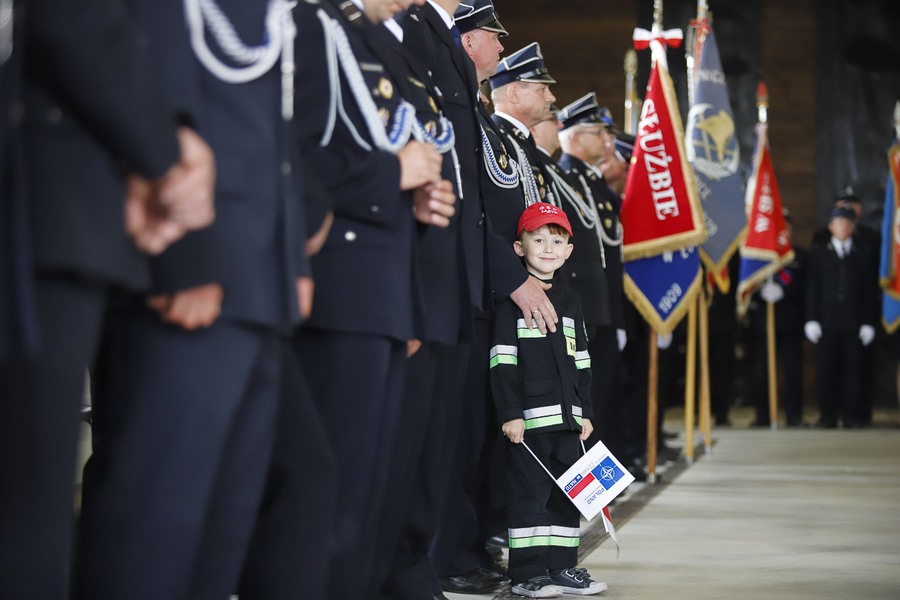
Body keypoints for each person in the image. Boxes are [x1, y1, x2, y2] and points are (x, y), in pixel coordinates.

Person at [1, 2, 214, 597]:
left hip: (85, 205)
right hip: (54, 197)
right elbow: (77, 20)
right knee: (29, 507)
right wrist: (167, 153)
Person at [292, 1, 457, 599]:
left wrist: (408, 193)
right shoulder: (313, 27)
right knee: (331, 494)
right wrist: (393, 175)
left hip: (384, 294)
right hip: (340, 287)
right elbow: (296, 155)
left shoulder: (369, 38)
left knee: (371, 494)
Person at [490, 202, 606, 598]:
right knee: (529, 498)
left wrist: (585, 411)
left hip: (569, 422)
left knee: (567, 495)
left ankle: (561, 567)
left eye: (556, 242)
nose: (548, 248)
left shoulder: (571, 301)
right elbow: (502, 361)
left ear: (569, 251)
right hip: (529, 424)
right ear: (518, 248)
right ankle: (528, 573)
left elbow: (582, 361)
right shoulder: (512, 302)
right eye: (538, 240)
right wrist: (511, 413)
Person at [805, 205, 878, 428]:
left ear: (853, 227)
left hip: (854, 324)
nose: (843, 226)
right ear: (830, 227)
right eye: (839, 223)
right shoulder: (819, 253)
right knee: (827, 371)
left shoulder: (862, 254)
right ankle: (827, 416)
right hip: (826, 323)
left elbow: (868, 292)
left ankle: (850, 416)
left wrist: (868, 322)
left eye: (847, 223)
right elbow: (812, 289)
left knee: (852, 373)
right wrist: (811, 319)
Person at [746, 213, 807, 427]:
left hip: (791, 322)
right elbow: (747, 283)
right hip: (764, 323)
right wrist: (760, 291)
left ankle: (794, 416)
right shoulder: (760, 256)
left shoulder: (799, 255)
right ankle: (763, 416)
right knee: (762, 371)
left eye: (786, 226)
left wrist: (785, 292)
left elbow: (806, 287)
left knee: (793, 371)